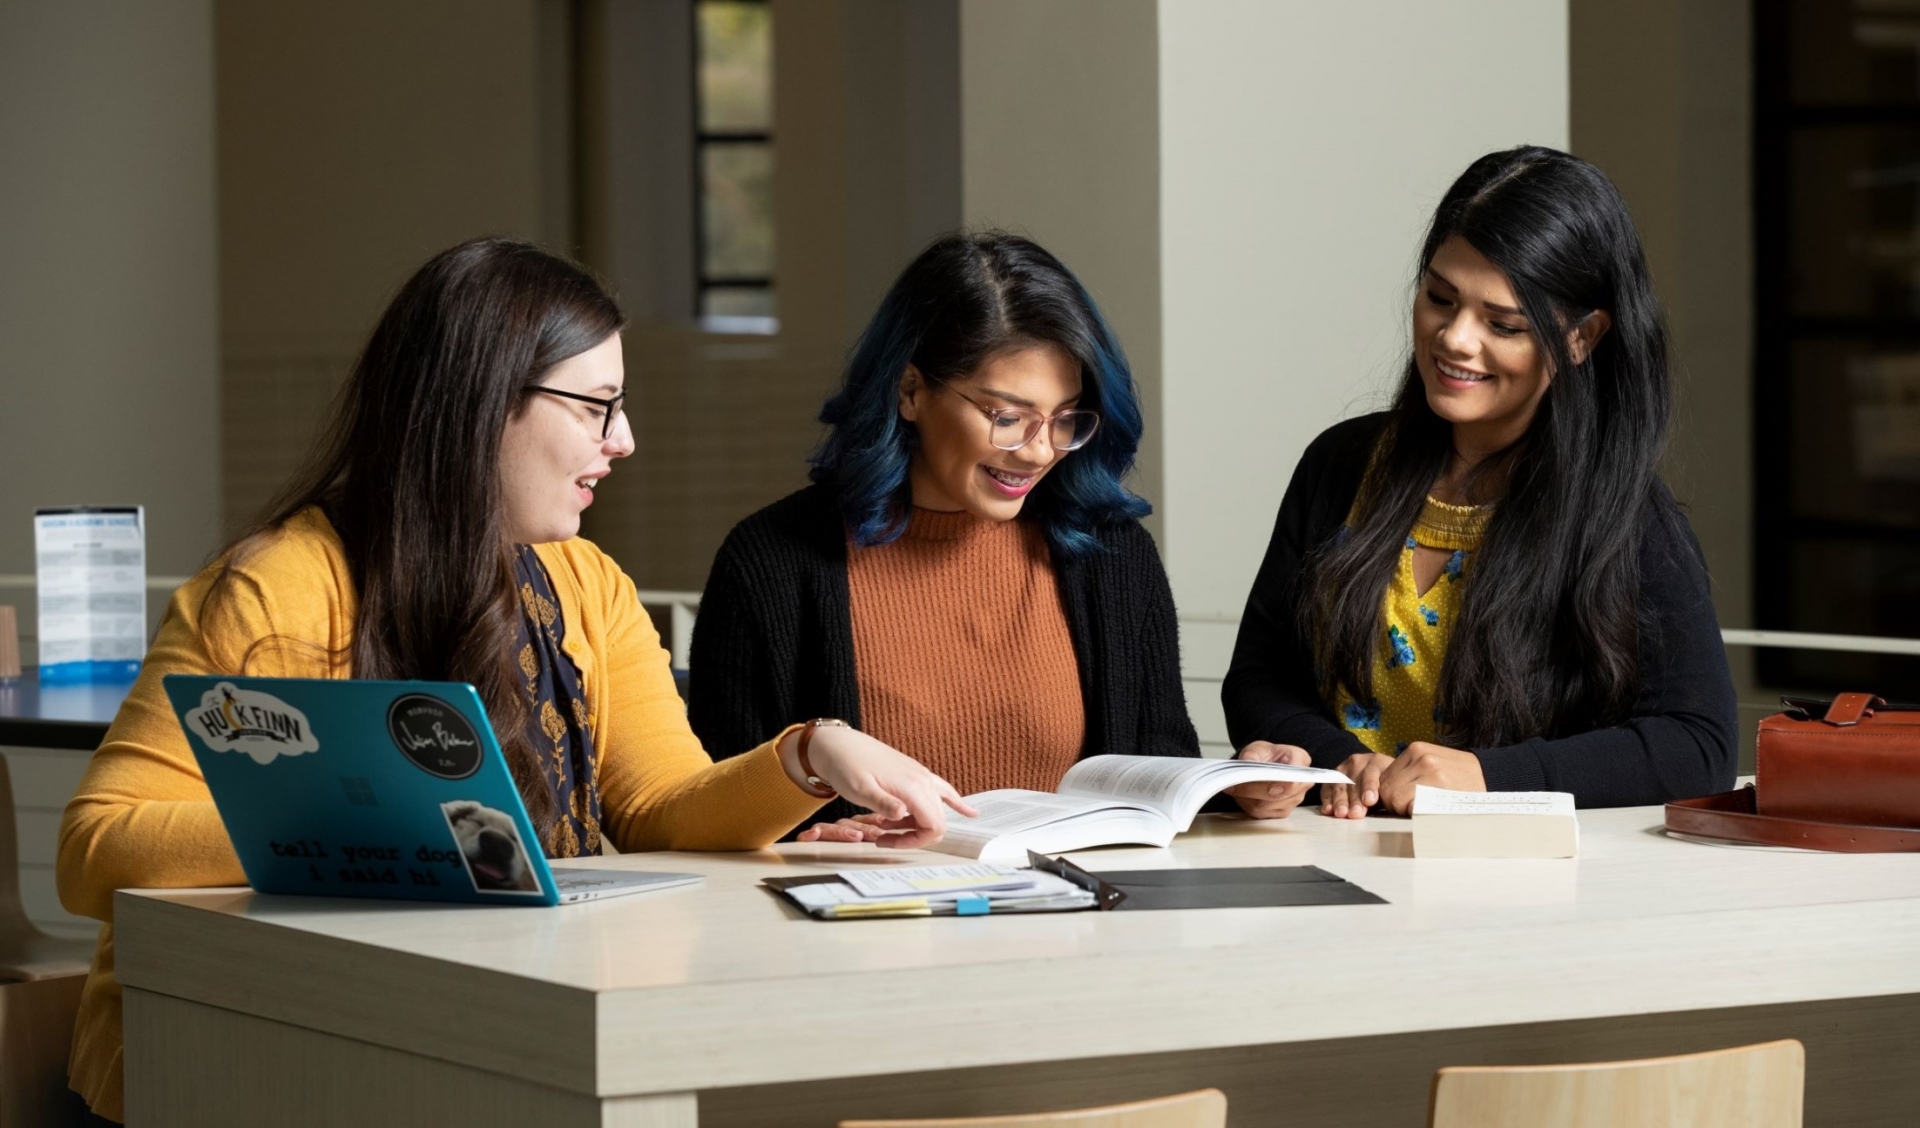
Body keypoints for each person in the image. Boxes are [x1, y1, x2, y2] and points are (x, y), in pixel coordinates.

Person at [54, 238, 970, 1122]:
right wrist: (401, 825)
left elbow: (662, 803)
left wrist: (810, 752)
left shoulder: (587, 586)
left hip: (472, 1025)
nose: (626, 440)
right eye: (597, 406)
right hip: (237, 1050)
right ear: (481, 402)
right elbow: (99, 847)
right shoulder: (278, 586)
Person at [689, 232, 1306, 840]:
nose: (1039, 452)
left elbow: (1155, 777)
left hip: (1087, 928)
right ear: (910, 391)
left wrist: (1231, 785)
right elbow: (714, 815)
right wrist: (803, 842)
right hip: (872, 929)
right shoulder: (770, 562)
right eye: (1007, 417)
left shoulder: (1113, 555)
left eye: (1065, 419)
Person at [1221, 146, 1737, 819]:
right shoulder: (1340, 466)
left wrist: (1487, 777)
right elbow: (1261, 679)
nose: (1455, 339)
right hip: (1337, 863)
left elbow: (1697, 745)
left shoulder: (1627, 518)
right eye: (1440, 297)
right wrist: (1337, 760)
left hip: (1526, 893)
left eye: (1503, 324)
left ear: (1582, 338)